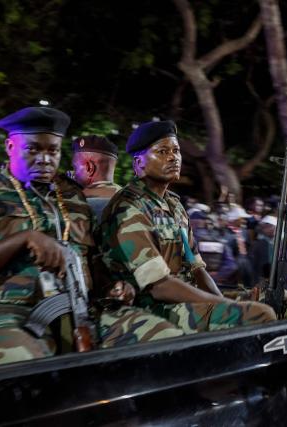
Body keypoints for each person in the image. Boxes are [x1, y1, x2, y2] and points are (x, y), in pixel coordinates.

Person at [0, 107, 182, 371]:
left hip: (81, 311)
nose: (44, 159)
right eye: (33, 150)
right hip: (5, 315)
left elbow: (91, 259)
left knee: (165, 342)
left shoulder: (72, 196)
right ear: (9, 147)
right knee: (29, 370)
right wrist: (22, 240)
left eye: (52, 151)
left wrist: (113, 286)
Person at [100, 120, 276, 334]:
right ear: (139, 164)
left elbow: (196, 268)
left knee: (278, 302)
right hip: (146, 306)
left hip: (180, 298)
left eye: (176, 150)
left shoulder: (174, 205)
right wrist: (224, 306)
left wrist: (221, 301)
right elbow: (159, 285)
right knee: (261, 315)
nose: (173, 157)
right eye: (162, 151)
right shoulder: (129, 207)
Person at [71, 135, 121, 221]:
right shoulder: (134, 200)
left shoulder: (72, 203)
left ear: (89, 168)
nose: (73, 174)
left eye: (75, 168)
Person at [189, 210, 237, 287]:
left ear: (191, 222)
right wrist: (216, 276)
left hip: (194, 284)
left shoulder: (188, 240)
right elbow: (231, 265)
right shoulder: (219, 239)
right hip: (216, 285)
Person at [250, 215, 277, 287]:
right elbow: (254, 265)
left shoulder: (282, 243)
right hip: (261, 279)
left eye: (270, 226)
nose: (268, 229)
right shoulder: (258, 244)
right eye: (265, 227)